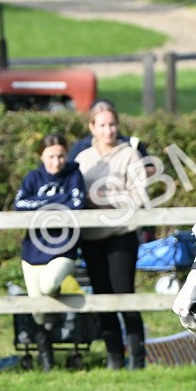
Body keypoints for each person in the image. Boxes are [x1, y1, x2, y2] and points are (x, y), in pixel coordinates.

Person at [75, 102, 150, 370]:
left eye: (112, 124)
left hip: (121, 234)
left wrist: (105, 200)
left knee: (124, 295)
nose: (109, 130)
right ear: (92, 128)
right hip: (92, 237)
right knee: (101, 297)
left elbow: (139, 195)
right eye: (103, 125)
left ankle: (138, 359)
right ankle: (114, 357)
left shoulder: (129, 155)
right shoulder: (83, 159)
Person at [14, 133, 86, 371]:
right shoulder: (33, 177)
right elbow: (20, 204)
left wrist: (44, 204)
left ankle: (59, 320)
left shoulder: (74, 174)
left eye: (61, 156)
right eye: (51, 156)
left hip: (63, 248)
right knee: (38, 311)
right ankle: (47, 360)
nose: (56, 162)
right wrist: (57, 201)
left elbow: (77, 204)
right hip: (33, 251)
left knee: (48, 285)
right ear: (41, 156)